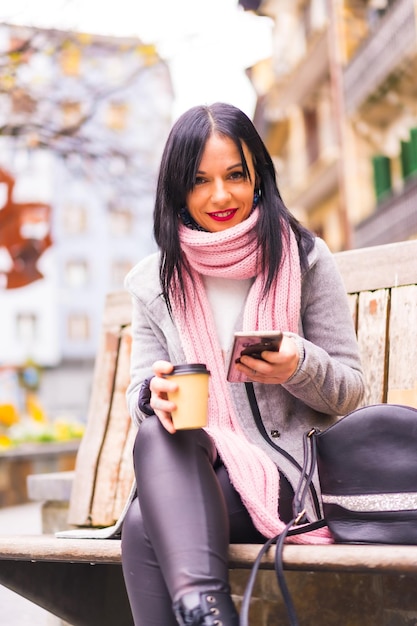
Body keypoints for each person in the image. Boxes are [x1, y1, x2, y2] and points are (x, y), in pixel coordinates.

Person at [121, 102, 365, 626]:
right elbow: (142, 386)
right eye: (200, 180)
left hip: (288, 477)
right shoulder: (154, 280)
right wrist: (152, 396)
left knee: (144, 523)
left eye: (235, 174)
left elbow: (349, 391)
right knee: (155, 433)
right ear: (177, 191)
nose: (220, 195)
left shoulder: (304, 257)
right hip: (198, 467)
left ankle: (205, 612)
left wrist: (298, 364)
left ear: (258, 174)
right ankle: (208, 612)